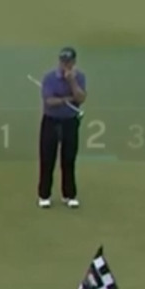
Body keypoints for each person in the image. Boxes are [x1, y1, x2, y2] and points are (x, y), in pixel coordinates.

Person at [38, 46, 87, 209]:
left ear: (74, 62)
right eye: (63, 61)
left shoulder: (79, 77)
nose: (65, 65)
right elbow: (49, 101)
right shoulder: (50, 77)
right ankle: (44, 195)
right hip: (51, 121)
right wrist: (67, 99)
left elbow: (80, 98)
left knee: (69, 159)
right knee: (47, 159)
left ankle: (69, 195)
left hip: (70, 121)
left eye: (69, 61)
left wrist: (71, 81)